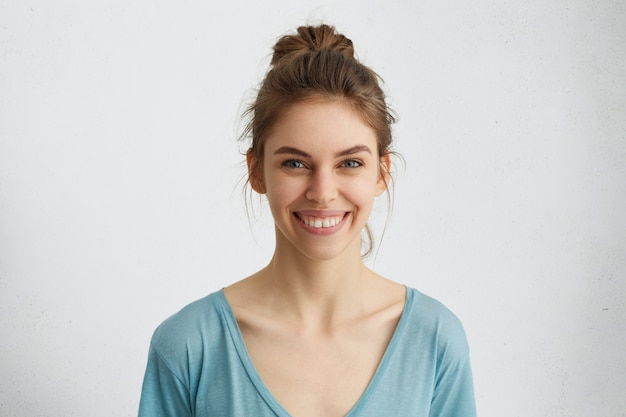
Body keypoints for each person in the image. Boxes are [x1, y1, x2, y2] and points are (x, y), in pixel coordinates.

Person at [138, 24, 476, 417]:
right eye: (295, 163)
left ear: (381, 173)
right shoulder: (187, 347)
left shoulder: (435, 342)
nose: (323, 191)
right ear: (257, 170)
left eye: (350, 162)